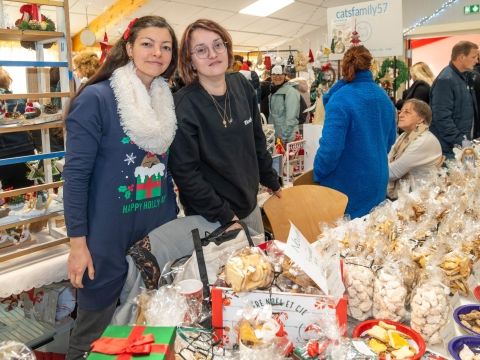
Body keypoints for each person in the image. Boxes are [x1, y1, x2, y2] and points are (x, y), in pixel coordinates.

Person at [62, 16, 178, 359]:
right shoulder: (97, 100)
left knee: (148, 335)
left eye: (166, 46)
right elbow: (76, 177)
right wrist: (77, 244)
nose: (157, 52)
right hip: (105, 242)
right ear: (128, 48)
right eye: (147, 43)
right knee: (92, 341)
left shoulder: (165, 102)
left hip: (155, 239)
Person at [170, 19, 281, 234]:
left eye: (218, 45)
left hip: (250, 205)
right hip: (210, 218)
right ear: (190, 60)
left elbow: (257, 140)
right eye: (201, 50)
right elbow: (186, 173)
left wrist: (271, 180)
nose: (213, 54)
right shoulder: (183, 106)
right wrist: (225, 216)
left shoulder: (241, 84)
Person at [313, 45, 396, 219]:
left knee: (343, 241)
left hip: (347, 184)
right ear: (369, 66)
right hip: (377, 178)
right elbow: (389, 141)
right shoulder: (383, 97)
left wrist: (318, 173)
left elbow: (330, 149)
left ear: (344, 68)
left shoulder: (340, 100)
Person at [430, 41, 479, 157]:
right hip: (450, 149)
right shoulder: (446, 80)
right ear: (461, 57)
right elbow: (442, 118)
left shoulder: (464, 77)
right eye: (473, 57)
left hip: (461, 146)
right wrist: (462, 142)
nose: (476, 61)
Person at [388, 99, 442, 199]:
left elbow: (394, 172)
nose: (400, 115)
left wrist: (369, 172)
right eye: (401, 111)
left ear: (421, 119)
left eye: (407, 112)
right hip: (406, 194)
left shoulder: (425, 140)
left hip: (419, 199)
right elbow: (388, 159)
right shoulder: (404, 136)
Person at [0, 67, 34, 189]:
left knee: (8, 192)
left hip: (3, 153)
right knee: (28, 187)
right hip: (25, 147)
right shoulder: (19, 99)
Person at [268, 63, 300, 144]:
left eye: (280, 74)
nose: (277, 77)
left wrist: (283, 137)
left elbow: (291, 119)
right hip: (276, 137)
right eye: (274, 74)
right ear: (270, 76)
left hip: (288, 139)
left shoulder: (290, 92)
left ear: (285, 75)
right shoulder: (272, 91)